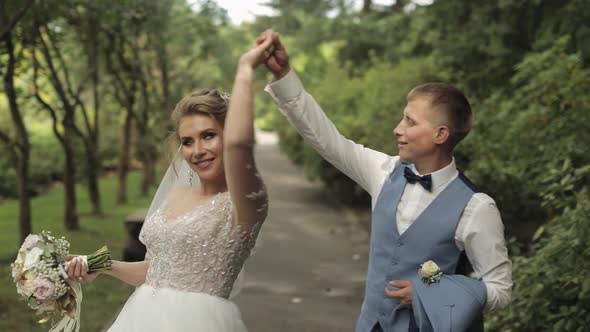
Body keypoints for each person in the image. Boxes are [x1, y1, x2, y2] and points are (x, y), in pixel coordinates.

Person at [260, 30, 512, 332]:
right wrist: (285, 75)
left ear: (440, 134)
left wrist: (432, 289)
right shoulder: (382, 171)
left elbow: (500, 290)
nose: (397, 128)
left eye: (410, 121)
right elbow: (326, 140)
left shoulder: (477, 208)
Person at [66, 31, 277, 331]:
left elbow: (240, 146)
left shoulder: (246, 203)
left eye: (208, 136)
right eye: (187, 141)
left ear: (228, 134)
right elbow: (159, 273)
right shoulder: (178, 195)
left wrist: (245, 70)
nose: (197, 151)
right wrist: (100, 265)